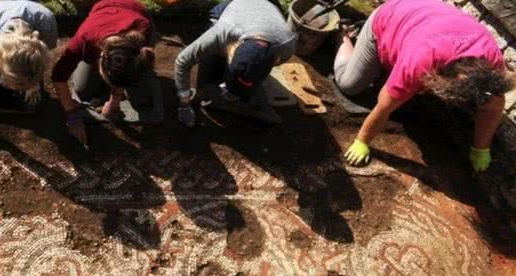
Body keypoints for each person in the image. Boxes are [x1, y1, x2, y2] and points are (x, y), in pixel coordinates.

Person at [334, 0, 515, 172]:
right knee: (349, 84)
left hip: (426, 20)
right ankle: (342, 33)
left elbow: (495, 104)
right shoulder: (422, 60)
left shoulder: (492, 62)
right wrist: (362, 140)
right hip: (389, 18)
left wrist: (481, 149)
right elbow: (384, 107)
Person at [51, 0, 162, 147]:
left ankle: (136, 80)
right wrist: (72, 117)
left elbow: (124, 69)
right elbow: (58, 76)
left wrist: (114, 100)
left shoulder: (142, 31)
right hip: (103, 14)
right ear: (100, 59)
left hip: (135, 14)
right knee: (81, 89)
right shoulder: (83, 40)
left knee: (142, 98)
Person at [174, 0, 296, 127]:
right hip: (236, 6)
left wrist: (249, 76)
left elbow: (257, 66)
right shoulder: (222, 32)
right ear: (231, 52)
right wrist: (184, 104)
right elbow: (182, 61)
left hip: (269, 7)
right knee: (208, 73)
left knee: (244, 78)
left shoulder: (286, 47)